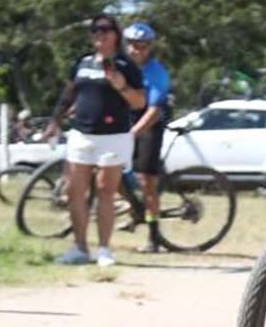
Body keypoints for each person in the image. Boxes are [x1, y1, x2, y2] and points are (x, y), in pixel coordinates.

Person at [44, 14, 146, 266]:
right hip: (81, 133)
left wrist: (120, 86)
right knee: (74, 190)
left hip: (113, 136)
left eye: (105, 31)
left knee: (105, 191)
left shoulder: (126, 65)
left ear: (115, 35)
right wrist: (55, 121)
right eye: (95, 31)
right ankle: (79, 247)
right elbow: (68, 95)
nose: (99, 35)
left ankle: (104, 249)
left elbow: (140, 102)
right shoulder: (83, 63)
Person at [123, 22, 172, 253]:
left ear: (149, 47)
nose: (137, 50)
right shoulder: (120, 67)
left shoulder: (156, 73)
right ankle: (134, 207)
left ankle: (153, 237)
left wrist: (133, 134)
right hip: (126, 122)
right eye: (133, 46)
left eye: (142, 46)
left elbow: (154, 111)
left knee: (146, 181)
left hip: (149, 125)